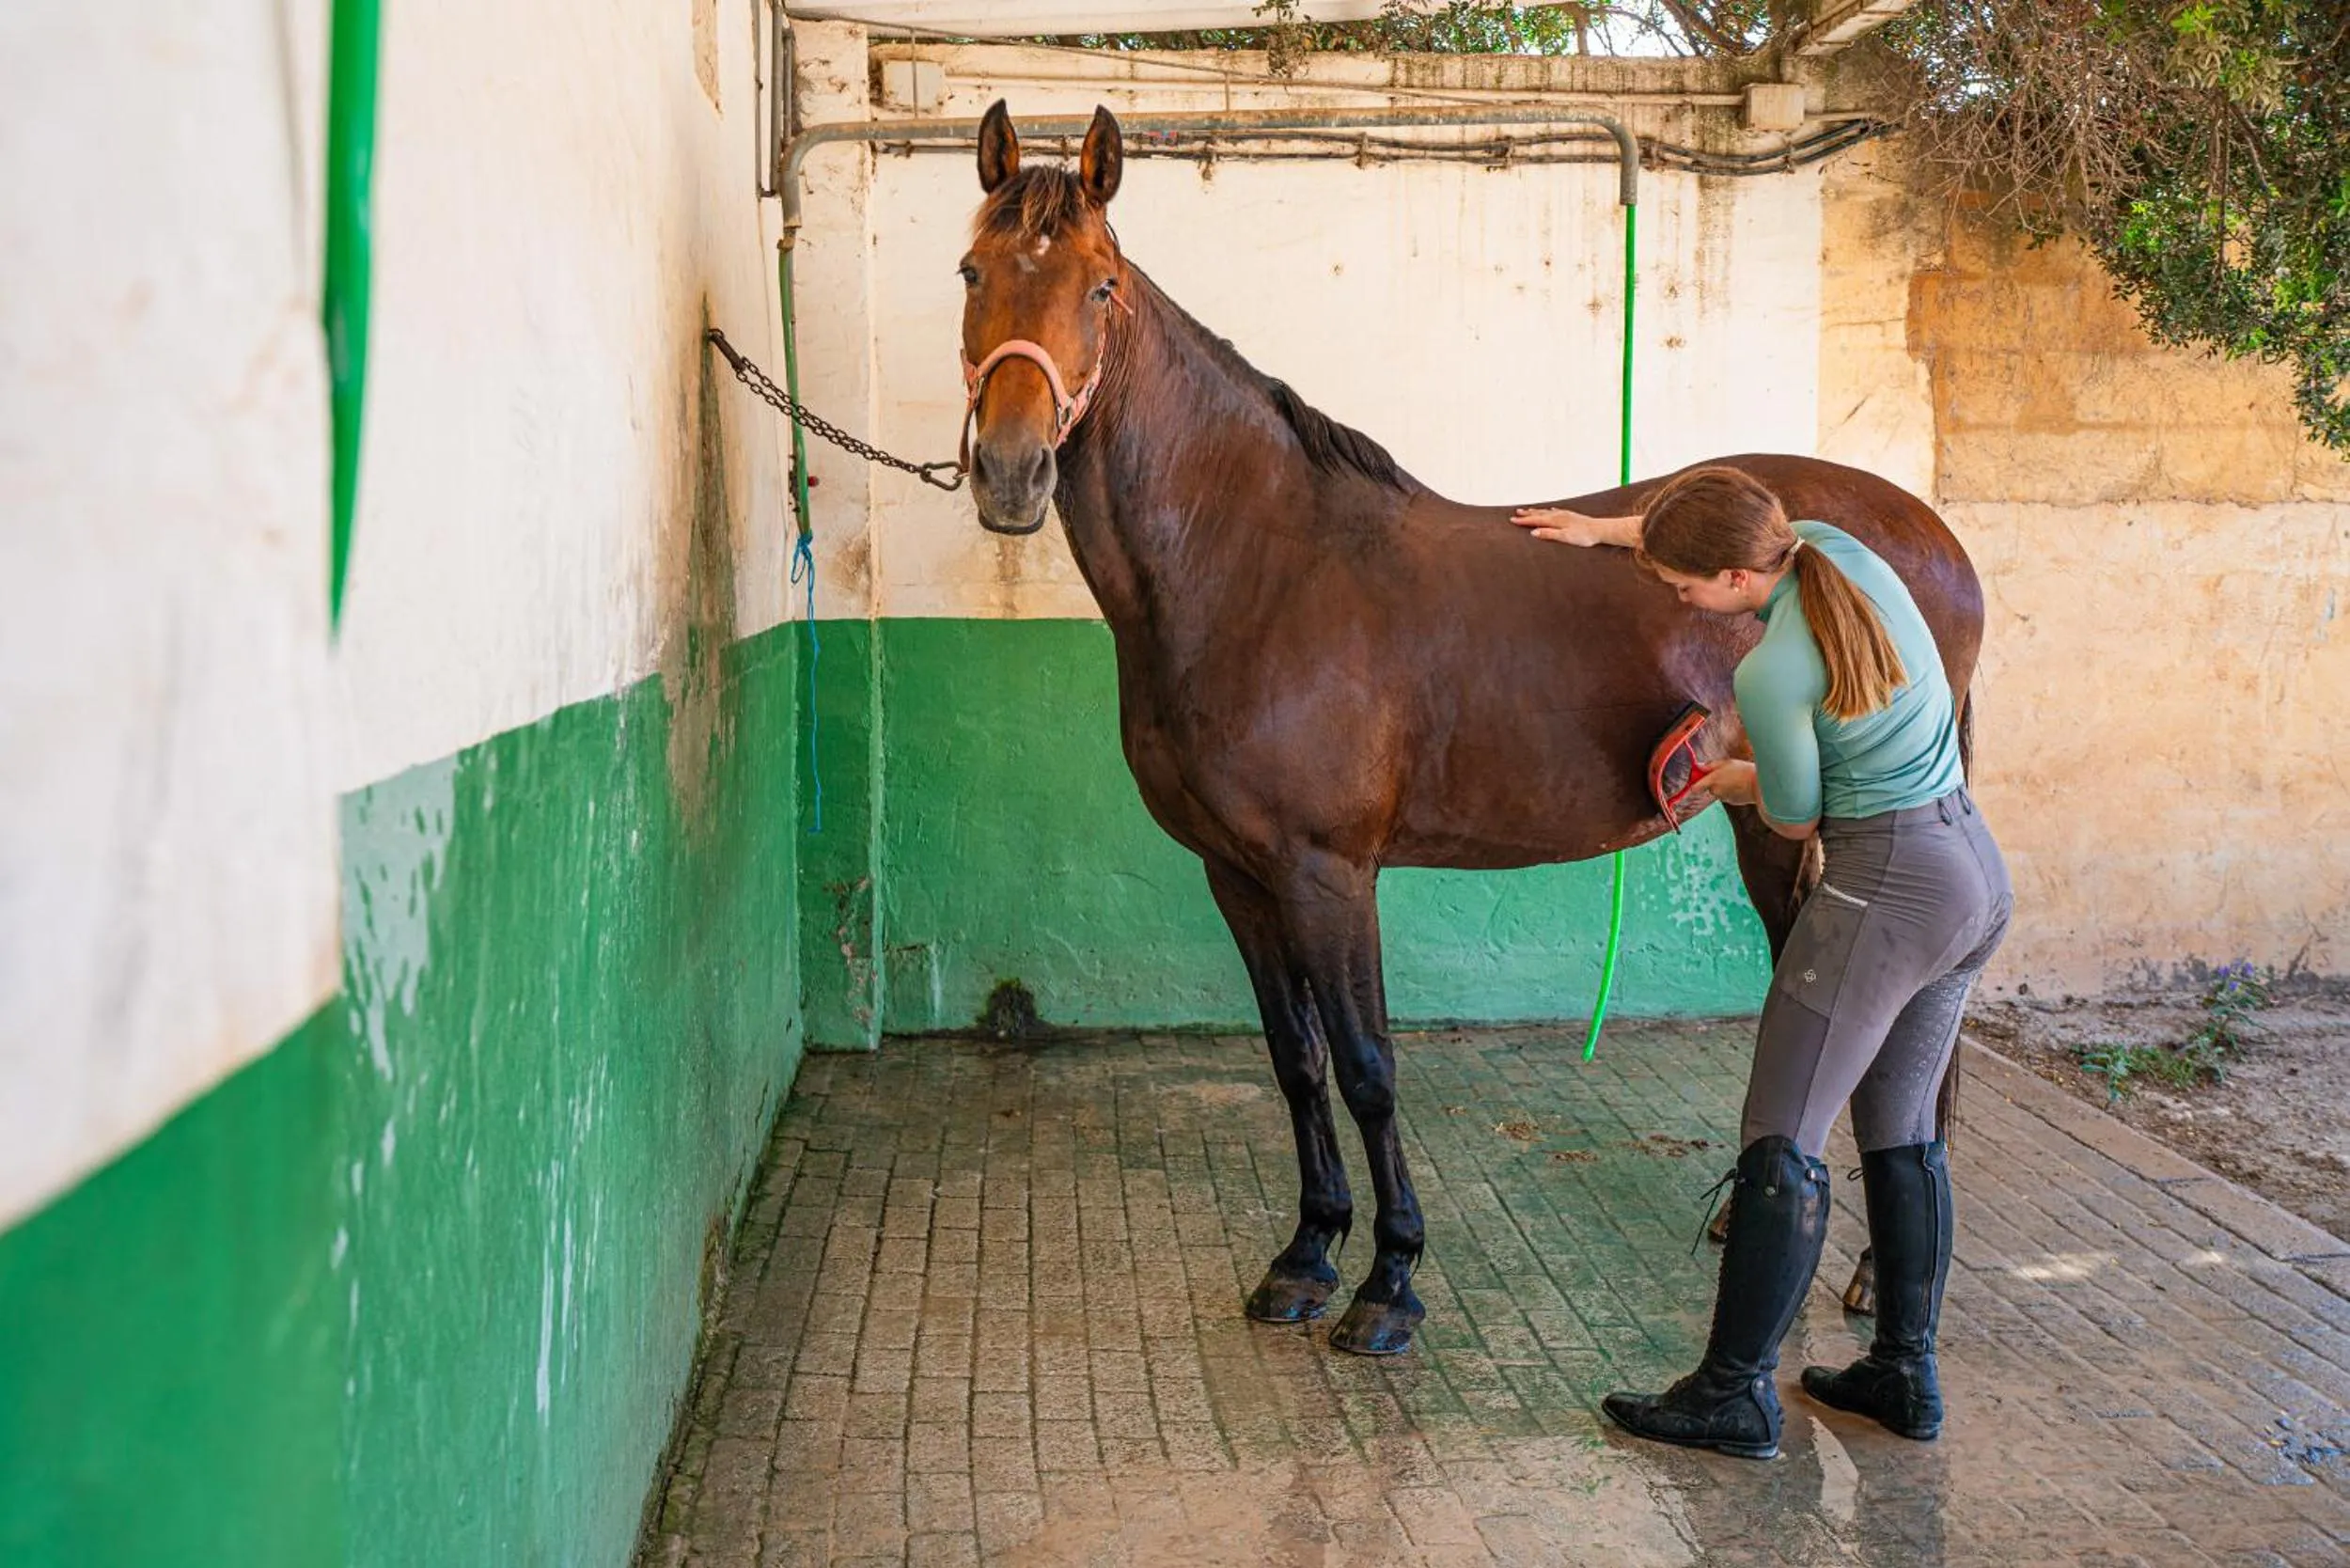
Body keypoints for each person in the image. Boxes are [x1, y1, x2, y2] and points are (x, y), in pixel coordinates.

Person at [1513, 467, 2013, 1459]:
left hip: (1885, 892)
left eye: (1683, 585)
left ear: (1739, 576)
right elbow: (1724, 538)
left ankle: (1730, 1395)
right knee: (1901, 1127)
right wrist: (1599, 531)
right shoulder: (1838, 549)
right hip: (1972, 881)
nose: (1676, 599)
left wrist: (1725, 774)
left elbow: (1792, 816)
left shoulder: (1770, 669)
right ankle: (1901, 1374)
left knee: (1779, 1139)